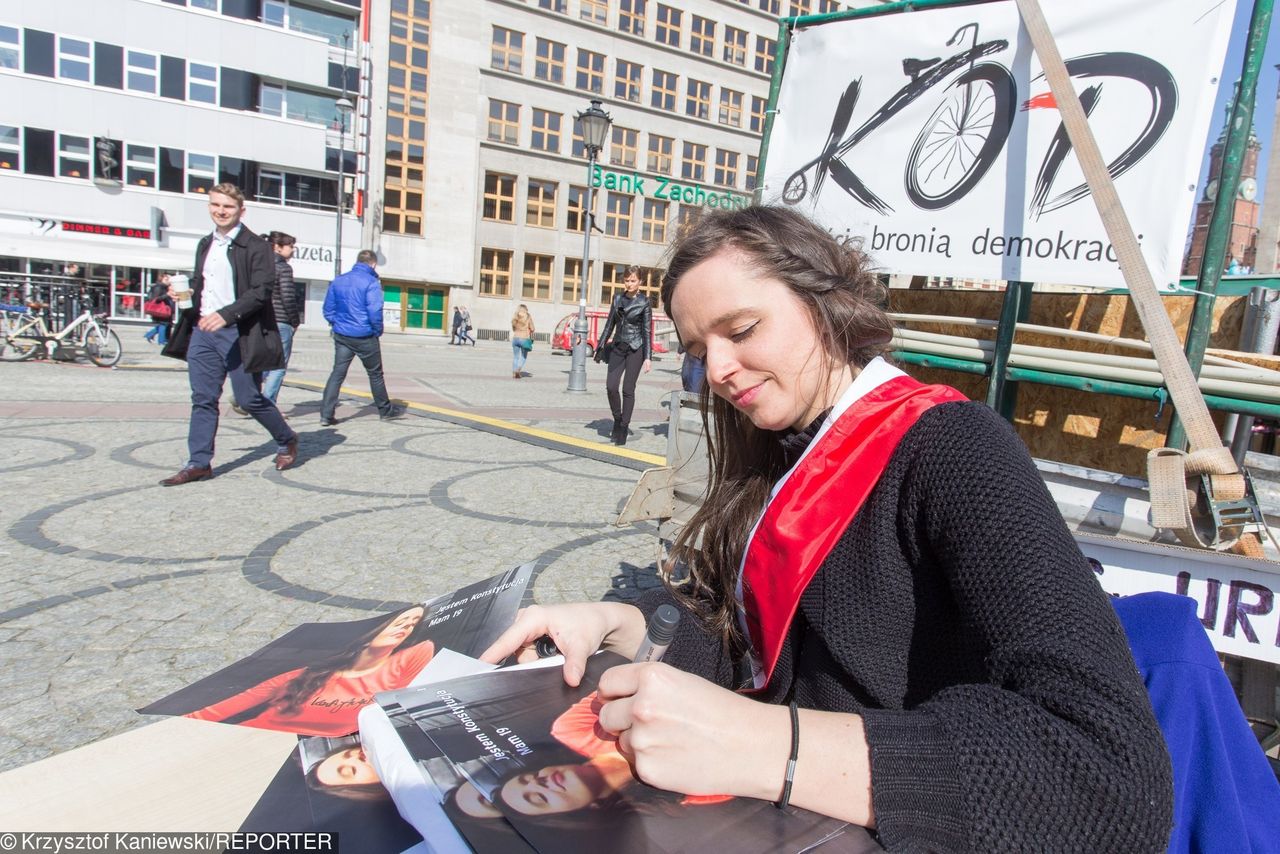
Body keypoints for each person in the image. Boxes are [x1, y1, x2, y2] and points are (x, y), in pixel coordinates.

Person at [482, 205, 1174, 851]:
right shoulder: (777, 452)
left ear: (825, 306)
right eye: (698, 348)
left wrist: (770, 747)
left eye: (742, 330)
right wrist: (623, 624)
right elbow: (764, 662)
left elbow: (1110, 778)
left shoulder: (953, 448)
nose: (717, 371)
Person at [159, 183, 297, 486]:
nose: (221, 211)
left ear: (241, 211)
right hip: (203, 332)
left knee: (248, 398)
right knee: (203, 398)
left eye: (228, 207)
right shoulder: (205, 244)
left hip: (239, 332)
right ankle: (199, 463)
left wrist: (227, 314)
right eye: (216, 205)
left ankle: (286, 438)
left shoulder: (256, 247)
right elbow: (201, 283)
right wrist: (183, 293)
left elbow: (261, 292)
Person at [186, 605, 433, 736]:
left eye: (412, 624)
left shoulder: (413, 655)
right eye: (400, 621)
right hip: (257, 741)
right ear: (371, 632)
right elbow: (208, 714)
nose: (406, 626)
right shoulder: (302, 676)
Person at [319, 249, 405, 425]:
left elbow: (328, 309)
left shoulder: (339, 280)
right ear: (372, 263)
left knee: (337, 373)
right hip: (364, 335)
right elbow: (375, 310)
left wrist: (337, 324)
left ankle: (326, 414)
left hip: (342, 334)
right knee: (375, 374)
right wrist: (377, 330)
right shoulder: (371, 282)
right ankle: (385, 410)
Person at [593, 266, 652, 445]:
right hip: (618, 347)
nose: (629, 283)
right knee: (611, 386)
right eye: (626, 280)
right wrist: (600, 345)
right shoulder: (617, 298)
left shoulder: (645, 302)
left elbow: (647, 330)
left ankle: (624, 427)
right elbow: (610, 324)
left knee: (628, 389)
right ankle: (617, 420)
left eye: (633, 280)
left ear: (640, 282)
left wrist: (648, 357)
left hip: (636, 348)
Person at [261, 231, 300, 404]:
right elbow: (288, 297)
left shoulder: (262, 266)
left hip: (263, 320)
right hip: (281, 320)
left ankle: (248, 396)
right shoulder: (284, 268)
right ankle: (268, 404)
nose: (292, 250)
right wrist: (295, 321)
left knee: (263, 361)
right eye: (290, 246)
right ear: (277, 247)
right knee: (279, 365)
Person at [143, 274, 174, 346]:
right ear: (162, 279)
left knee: (164, 324)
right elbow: (156, 299)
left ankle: (149, 335)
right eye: (167, 279)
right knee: (163, 324)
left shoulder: (165, 287)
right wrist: (167, 295)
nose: (169, 281)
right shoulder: (159, 287)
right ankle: (161, 341)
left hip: (164, 309)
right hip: (160, 309)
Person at [511, 304, 535, 379]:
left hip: (515, 338)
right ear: (526, 309)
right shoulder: (528, 316)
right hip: (524, 338)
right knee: (523, 356)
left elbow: (513, 328)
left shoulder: (515, 316)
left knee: (515, 357)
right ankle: (518, 370)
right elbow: (532, 328)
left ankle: (514, 373)